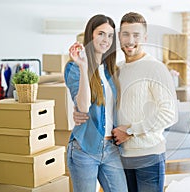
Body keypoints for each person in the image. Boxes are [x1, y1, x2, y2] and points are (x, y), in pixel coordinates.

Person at [73, 12, 178, 192]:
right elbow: (105, 104)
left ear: (144, 37)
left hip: (148, 157)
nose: (130, 40)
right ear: (119, 38)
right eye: (125, 34)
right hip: (120, 156)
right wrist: (79, 112)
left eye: (136, 35)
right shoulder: (116, 69)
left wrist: (130, 131)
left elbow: (170, 114)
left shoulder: (156, 68)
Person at [65, 14, 128, 192]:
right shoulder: (74, 68)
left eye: (109, 35)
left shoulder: (112, 70)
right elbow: (83, 108)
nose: (105, 40)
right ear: (90, 35)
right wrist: (84, 67)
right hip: (84, 148)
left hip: (111, 148)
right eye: (101, 33)